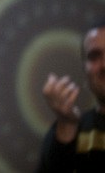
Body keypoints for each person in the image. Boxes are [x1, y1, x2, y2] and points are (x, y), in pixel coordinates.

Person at [37, 21, 105, 172]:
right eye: (94, 56)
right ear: (84, 68)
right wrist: (67, 125)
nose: (104, 64)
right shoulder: (71, 129)